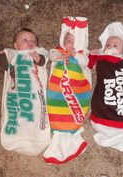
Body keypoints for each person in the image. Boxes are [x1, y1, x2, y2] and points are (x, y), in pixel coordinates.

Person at [43, 16, 92, 164]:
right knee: (54, 105)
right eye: (69, 40)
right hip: (59, 89)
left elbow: (85, 62)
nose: (71, 44)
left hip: (76, 88)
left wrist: (76, 55)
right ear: (63, 41)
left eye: (75, 42)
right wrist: (60, 55)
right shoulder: (57, 51)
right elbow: (51, 55)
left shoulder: (82, 55)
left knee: (74, 105)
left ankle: (66, 133)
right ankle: (63, 133)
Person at [88, 22, 123, 151]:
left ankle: (121, 129)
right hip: (105, 94)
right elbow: (89, 65)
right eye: (108, 45)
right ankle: (110, 128)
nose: (110, 47)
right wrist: (92, 55)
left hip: (122, 93)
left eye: (115, 45)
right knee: (103, 99)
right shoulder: (101, 57)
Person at [0, 28, 51, 156]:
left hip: (33, 93)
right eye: (25, 40)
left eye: (33, 40)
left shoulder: (37, 52)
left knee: (36, 110)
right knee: (14, 110)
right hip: (18, 93)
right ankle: (17, 135)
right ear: (15, 45)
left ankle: (36, 135)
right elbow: (5, 64)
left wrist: (38, 59)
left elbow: (44, 60)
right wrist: (1, 56)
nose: (30, 43)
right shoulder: (13, 55)